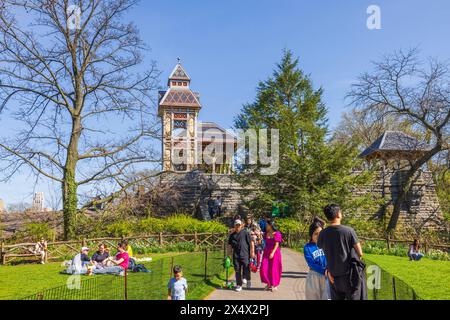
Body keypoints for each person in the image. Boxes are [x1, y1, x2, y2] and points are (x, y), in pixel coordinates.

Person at [318, 204, 367, 300]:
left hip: (333, 276)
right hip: (350, 276)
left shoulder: (323, 233)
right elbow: (360, 253)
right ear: (338, 214)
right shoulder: (348, 231)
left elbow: (322, 249)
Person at [304, 218, 330, 300]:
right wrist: (324, 271)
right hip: (314, 276)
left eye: (320, 233)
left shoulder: (327, 244)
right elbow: (311, 263)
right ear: (311, 235)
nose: (319, 236)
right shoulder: (307, 247)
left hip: (328, 276)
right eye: (316, 234)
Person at [228, 219, 252, 291]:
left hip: (245, 255)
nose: (237, 226)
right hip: (236, 256)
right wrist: (228, 255)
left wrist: (252, 252)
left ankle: (248, 280)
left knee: (246, 269)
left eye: (239, 225)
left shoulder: (245, 233)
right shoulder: (232, 235)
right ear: (234, 226)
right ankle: (239, 285)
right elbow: (229, 246)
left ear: (241, 225)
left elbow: (250, 243)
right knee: (237, 270)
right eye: (236, 225)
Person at [260, 219, 283, 292]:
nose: (266, 226)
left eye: (267, 225)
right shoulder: (266, 234)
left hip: (275, 253)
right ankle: (268, 283)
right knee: (264, 267)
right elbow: (262, 241)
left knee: (274, 269)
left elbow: (277, 244)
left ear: (270, 225)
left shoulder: (277, 234)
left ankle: (274, 285)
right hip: (266, 253)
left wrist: (272, 253)